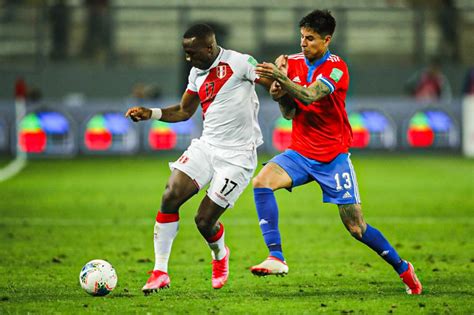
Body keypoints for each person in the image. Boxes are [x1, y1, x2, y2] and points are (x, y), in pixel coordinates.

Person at [249, 9, 423, 295]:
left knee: (356, 228)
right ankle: (276, 256)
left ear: (327, 40)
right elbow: (291, 112)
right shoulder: (291, 62)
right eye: (302, 37)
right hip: (301, 153)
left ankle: (403, 268)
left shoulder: (337, 68)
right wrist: (277, 91)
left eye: (311, 38)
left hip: (333, 157)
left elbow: (309, 94)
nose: (303, 43)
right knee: (261, 182)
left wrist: (281, 79)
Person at [125, 23, 271, 293]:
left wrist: (281, 84)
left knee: (204, 221)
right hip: (207, 146)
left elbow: (269, 81)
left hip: (238, 157)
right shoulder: (196, 73)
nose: (188, 59)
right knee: (170, 195)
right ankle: (160, 271)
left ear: (210, 47)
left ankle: (220, 255)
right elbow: (183, 111)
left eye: (192, 53)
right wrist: (151, 113)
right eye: (185, 53)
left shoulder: (240, 62)